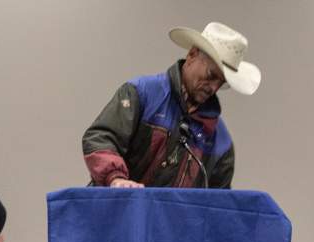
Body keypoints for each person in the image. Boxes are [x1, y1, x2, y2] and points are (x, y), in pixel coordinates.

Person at [81, 21, 260, 189]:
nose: (213, 87)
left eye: (221, 82)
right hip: (117, 216)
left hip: (170, 223)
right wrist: (115, 178)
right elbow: (100, 137)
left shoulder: (221, 141)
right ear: (192, 55)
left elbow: (217, 207)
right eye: (211, 75)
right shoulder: (141, 94)